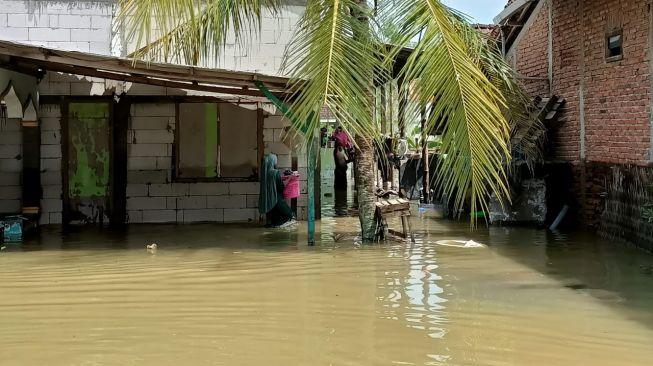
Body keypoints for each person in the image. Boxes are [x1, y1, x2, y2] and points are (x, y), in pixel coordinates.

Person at [259, 154, 295, 228]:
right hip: (276, 199)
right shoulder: (275, 172)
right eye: (275, 161)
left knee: (271, 221)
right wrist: (289, 179)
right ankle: (275, 226)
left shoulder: (264, 173)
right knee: (289, 214)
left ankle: (271, 231)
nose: (276, 163)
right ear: (273, 162)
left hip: (267, 201)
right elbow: (280, 187)